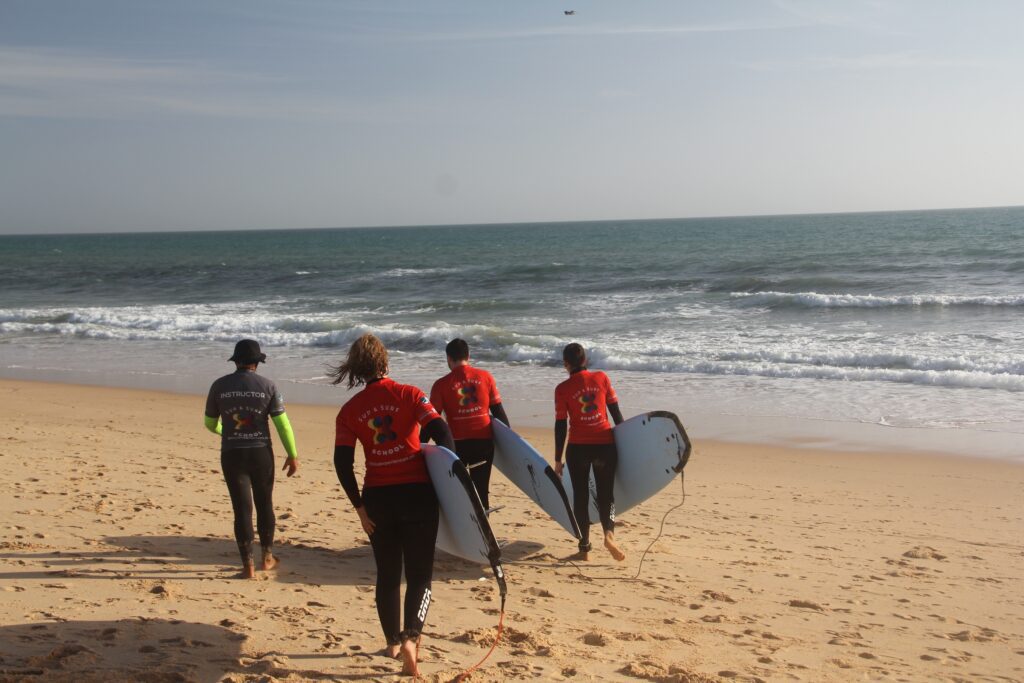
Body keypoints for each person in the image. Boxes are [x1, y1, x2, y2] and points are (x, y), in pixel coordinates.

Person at [331, 333, 454, 677]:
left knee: (387, 575)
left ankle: (392, 643)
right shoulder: (410, 394)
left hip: (378, 500)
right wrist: (447, 476)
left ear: (357, 369)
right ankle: (412, 638)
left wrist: (359, 507)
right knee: (420, 577)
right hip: (417, 496)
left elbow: (342, 463)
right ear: (385, 363)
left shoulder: (349, 411)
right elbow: (442, 434)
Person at [204, 339, 299, 579]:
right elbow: (282, 425)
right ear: (257, 363)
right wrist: (292, 454)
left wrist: (226, 433)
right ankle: (267, 558)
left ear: (236, 361)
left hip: (232, 453)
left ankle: (247, 567)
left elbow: (209, 423)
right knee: (264, 504)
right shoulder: (268, 386)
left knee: (242, 509)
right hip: (261, 453)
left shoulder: (219, 385)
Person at [553, 342, 626, 562]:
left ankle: (584, 548)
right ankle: (609, 535)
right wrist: (626, 443)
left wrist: (557, 459)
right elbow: (615, 413)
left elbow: (560, 426)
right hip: (605, 445)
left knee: (581, 497)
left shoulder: (562, 389)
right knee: (607, 496)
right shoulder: (602, 378)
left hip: (578, 449)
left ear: (566, 364)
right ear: (585, 361)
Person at [428, 338, 509, 509]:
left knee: (458, 491)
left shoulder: (441, 385)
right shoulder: (486, 377)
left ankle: (466, 530)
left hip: (457, 447)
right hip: (484, 444)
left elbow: (432, 421)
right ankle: (485, 533)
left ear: (449, 359)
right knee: (481, 490)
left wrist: (420, 445)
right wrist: (510, 443)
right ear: (468, 356)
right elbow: (499, 412)